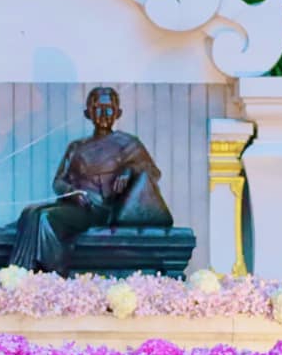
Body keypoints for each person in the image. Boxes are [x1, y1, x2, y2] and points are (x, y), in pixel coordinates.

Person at [10, 86, 173, 273]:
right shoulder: (77, 147)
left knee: (45, 218)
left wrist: (130, 170)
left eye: (108, 110)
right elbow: (59, 182)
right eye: (97, 110)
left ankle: (52, 274)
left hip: (101, 209)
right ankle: (20, 273)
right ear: (88, 114)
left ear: (118, 113)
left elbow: (153, 172)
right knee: (31, 212)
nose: (103, 115)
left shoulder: (128, 143)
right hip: (76, 206)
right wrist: (72, 192)